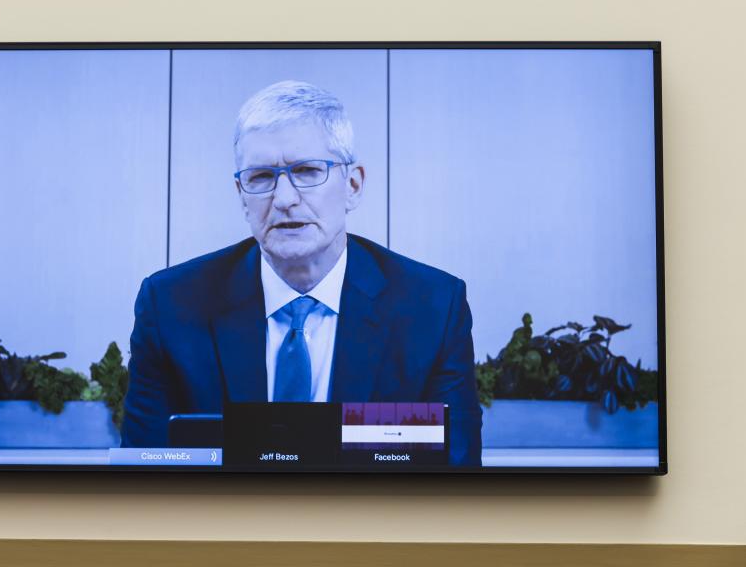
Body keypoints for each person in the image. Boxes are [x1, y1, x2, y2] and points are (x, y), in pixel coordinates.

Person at [121, 80, 482, 465]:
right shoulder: (171, 305)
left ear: (354, 185)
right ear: (241, 194)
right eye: (260, 177)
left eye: (308, 171)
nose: (285, 199)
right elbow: (144, 475)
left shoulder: (433, 308)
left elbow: (455, 477)